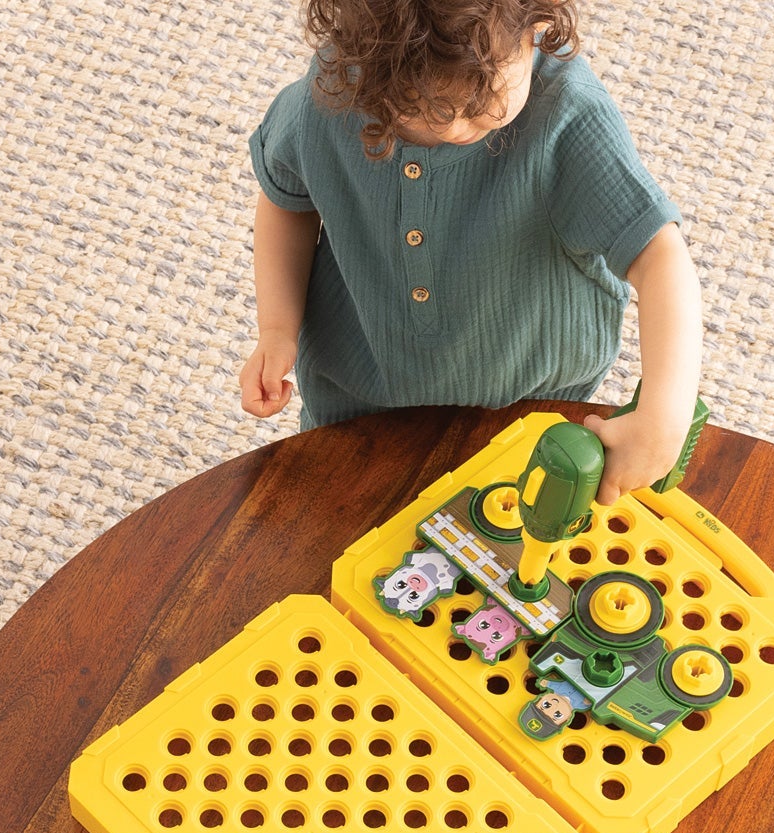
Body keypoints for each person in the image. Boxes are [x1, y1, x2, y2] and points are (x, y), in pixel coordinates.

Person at [239, 0, 702, 504]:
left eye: (484, 98)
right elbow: (287, 199)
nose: (455, 127)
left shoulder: (567, 113)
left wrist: (663, 417)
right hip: (356, 408)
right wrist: (277, 328)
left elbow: (660, 256)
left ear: (539, 20)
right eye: (419, 106)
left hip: (529, 412)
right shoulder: (334, 90)